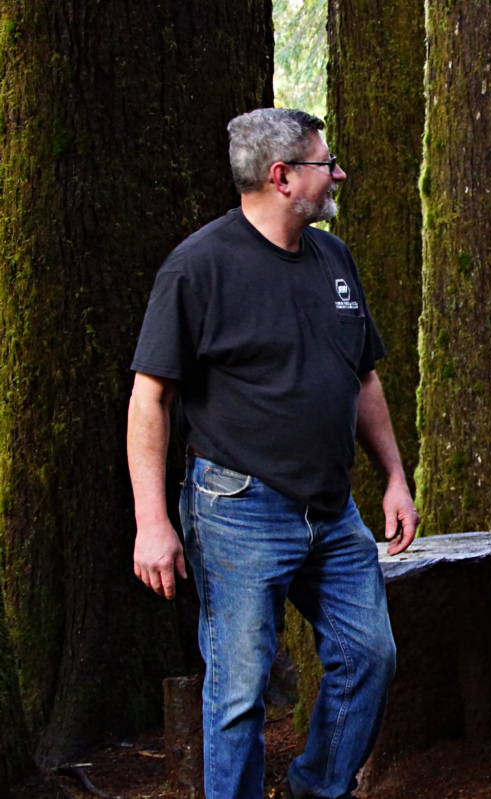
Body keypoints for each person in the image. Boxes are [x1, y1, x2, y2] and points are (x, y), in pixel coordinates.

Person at [126, 108, 418, 799]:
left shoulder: (334, 259)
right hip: (238, 508)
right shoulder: (199, 267)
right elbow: (150, 399)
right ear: (282, 177)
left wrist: (395, 476)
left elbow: (364, 376)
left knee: (371, 654)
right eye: (326, 163)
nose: (339, 173)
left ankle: (318, 788)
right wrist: (151, 521)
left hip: (332, 508)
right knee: (238, 689)